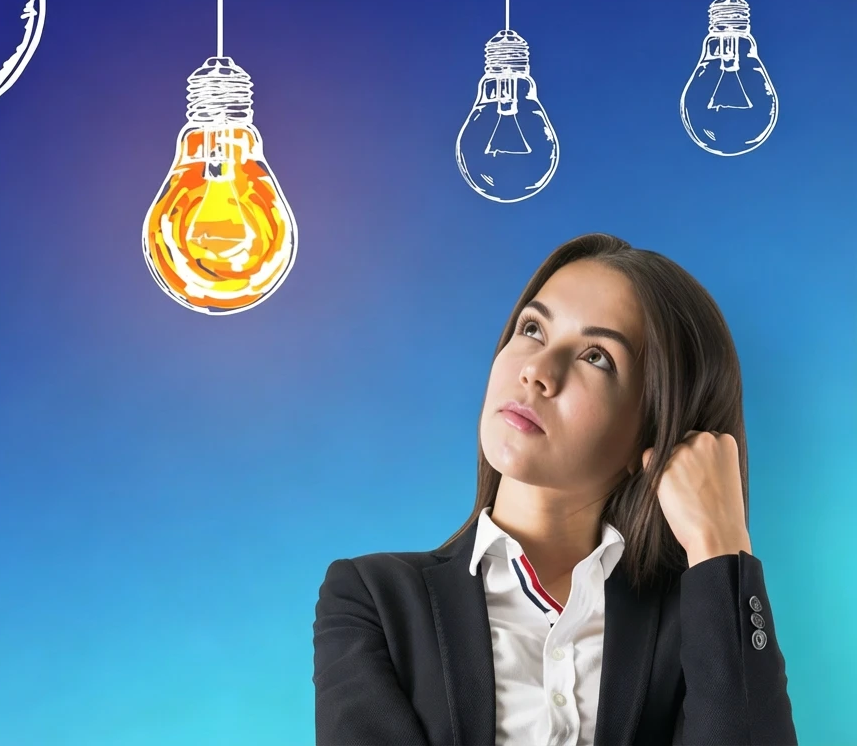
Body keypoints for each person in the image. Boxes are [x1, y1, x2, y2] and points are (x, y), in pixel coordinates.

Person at [312, 233, 797, 746]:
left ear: (655, 432)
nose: (537, 370)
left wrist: (721, 544)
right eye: (532, 328)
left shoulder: (695, 628)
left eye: (596, 357)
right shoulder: (373, 600)